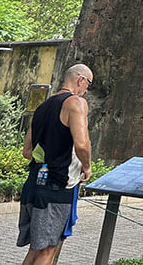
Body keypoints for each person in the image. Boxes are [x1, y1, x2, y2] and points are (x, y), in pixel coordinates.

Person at [17, 63, 93, 264]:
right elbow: (82, 144)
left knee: (36, 249)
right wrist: (87, 166)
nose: (87, 90)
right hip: (56, 187)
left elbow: (27, 151)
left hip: (33, 184)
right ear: (80, 80)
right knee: (48, 250)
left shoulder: (43, 107)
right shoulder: (75, 103)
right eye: (89, 85)